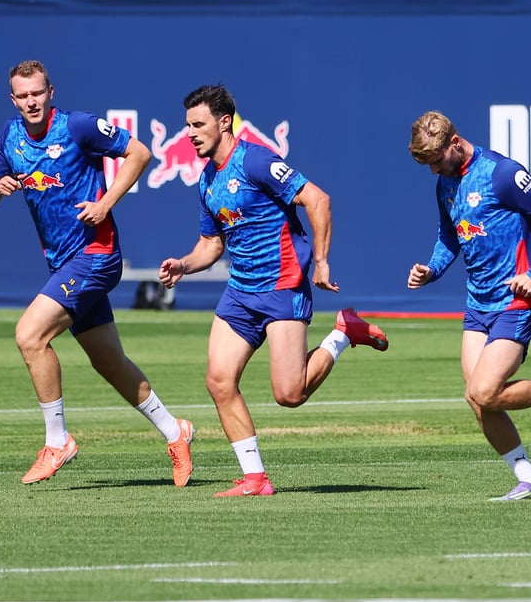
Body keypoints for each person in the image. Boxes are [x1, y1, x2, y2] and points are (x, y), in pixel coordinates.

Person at [158, 84, 389, 497]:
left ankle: (343, 333)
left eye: (198, 124)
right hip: (241, 291)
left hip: (283, 285)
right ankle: (256, 478)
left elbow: (318, 200)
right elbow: (211, 245)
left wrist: (320, 261)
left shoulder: (257, 161)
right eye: (187, 125)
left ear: (224, 122)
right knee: (219, 380)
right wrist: (184, 265)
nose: (189, 133)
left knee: (290, 394)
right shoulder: (207, 178)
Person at [0, 60, 195, 486]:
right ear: (13, 100)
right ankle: (176, 431)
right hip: (64, 262)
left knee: (30, 335)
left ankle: (57, 441)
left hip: (96, 255)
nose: (31, 101)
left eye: (37, 92)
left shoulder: (77, 127)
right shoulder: (10, 136)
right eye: (22, 96)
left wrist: (106, 202)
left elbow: (140, 153)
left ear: (50, 92)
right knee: (108, 361)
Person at [406, 111, 531, 502]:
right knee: (476, 398)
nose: (433, 170)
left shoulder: (501, 173)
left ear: (455, 142)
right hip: (478, 303)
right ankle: (530, 480)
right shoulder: (445, 183)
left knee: (486, 390)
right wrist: (431, 270)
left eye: (437, 160)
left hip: (516, 299)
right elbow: (450, 237)